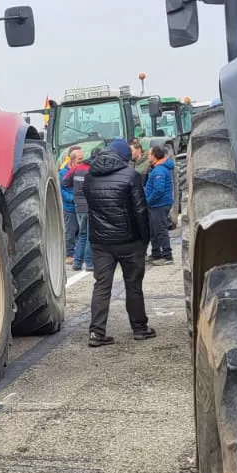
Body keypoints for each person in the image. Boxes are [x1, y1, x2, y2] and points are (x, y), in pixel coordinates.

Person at [83, 138, 156, 346]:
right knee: (133, 285)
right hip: (129, 240)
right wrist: (145, 239)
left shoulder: (90, 177)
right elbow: (140, 210)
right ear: (124, 158)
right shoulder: (131, 176)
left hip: (100, 242)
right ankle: (139, 328)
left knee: (102, 285)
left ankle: (97, 332)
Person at [144, 145, 176, 264]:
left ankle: (167, 257)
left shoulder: (159, 171)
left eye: (149, 154)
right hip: (156, 205)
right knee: (154, 230)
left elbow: (158, 190)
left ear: (154, 156)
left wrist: (148, 201)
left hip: (159, 205)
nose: (148, 156)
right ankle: (156, 254)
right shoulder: (156, 168)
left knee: (161, 231)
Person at [63, 147, 93, 272]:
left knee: (82, 234)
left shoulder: (76, 169)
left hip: (78, 207)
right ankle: (90, 263)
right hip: (89, 206)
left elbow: (64, 182)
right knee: (89, 235)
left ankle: (77, 263)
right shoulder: (92, 170)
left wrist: (75, 188)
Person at [60, 145, 83, 264]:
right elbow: (62, 192)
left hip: (81, 207)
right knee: (70, 231)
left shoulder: (80, 171)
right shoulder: (63, 173)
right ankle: (69, 254)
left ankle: (78, 254)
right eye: (79, 160)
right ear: (71, 160)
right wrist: (74, 198)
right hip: (70, 208)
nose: (81, 163)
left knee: (81, 232)